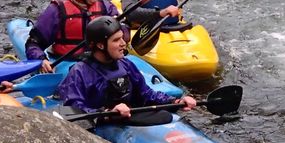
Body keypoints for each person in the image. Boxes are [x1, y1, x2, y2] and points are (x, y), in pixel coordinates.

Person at [57, 16, 196, 119]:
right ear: (100, 45)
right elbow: (73, 110)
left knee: (164, 116)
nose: (123, 43)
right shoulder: (80, 72)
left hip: (127, 117)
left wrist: (175, 102)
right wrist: (107, 113)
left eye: (122, 38)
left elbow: (146, 94)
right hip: (103, 123)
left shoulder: (126, 65)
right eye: (116, 40)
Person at [26, 0, 123, 73]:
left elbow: (122, 33)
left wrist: (124, 27)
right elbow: (33, 43)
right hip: (67, 62)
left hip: (99, 61)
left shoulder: (105, 7)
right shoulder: (57, 11)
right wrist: (41, 60)